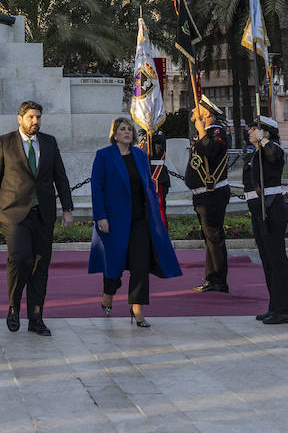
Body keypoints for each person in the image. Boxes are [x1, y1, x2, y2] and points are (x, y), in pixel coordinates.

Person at [0, 100, 74, 336]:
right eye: (31, 117)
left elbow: (60, 177)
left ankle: (36, 318)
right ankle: (14, 307)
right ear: (20, 119)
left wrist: (67, 209)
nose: (35, 122)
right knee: (20, 259)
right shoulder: (4, 142)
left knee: (40, 266)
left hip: (43, 213)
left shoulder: (49, 142)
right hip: (13, 213)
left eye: (38, 117)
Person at [89, 116, 181, 327]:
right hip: (114, 219)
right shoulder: (104, 155)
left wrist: (154, 211)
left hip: (140, 217)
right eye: (122, 129)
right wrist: (100, 216)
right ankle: (108, 293)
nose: (127, 133)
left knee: (140, 264)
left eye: (129, 129)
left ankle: (137, 308)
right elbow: (97, 187)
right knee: (114, 263)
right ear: (115, 134)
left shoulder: (140, 155)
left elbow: (148, 183)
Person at [243, 114, 288, 324]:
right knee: (267, 261)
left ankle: (283, 310)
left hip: (271, 209)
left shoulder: (271, 148)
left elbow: (275, 155)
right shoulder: (256, 153)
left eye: (253, 129)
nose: (249, 132)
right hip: (259, 210)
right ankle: (275, 305)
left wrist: (263, 139)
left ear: (264, 132)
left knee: (276, 260)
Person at [183, 95, 231, 292]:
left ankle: (220, 280)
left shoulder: (216, 131)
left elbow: (211, 151)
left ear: (207, 113)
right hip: (202, 194)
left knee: (214, 237)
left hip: (213, 194)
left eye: (197, 109)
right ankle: (212, 278)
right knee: (209, 239)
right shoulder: (204, 133)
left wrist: (202, 130)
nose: (193, 111)